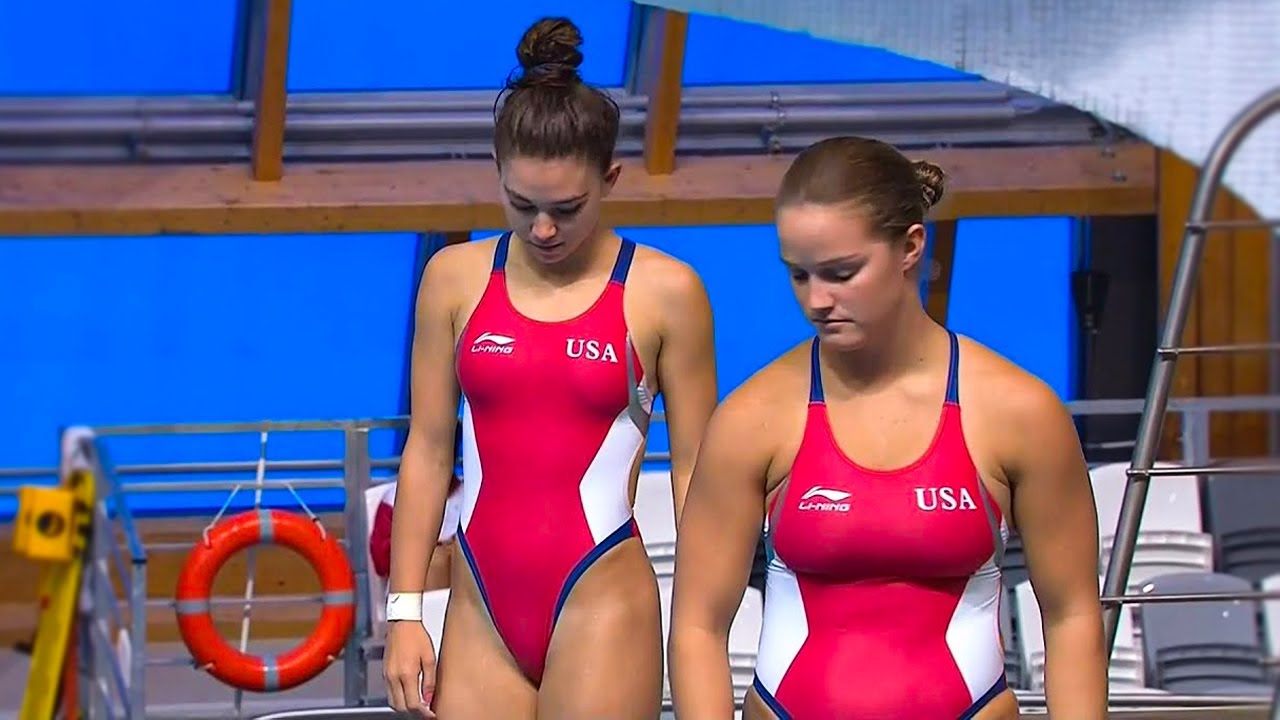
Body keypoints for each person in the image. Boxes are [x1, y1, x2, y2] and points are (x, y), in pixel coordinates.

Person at [668, 136, 1107, 719]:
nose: (817, 300)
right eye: (799, 275)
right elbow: (697, 626)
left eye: (842, 272)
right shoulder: (753, 419)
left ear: (911, 247)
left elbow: (1073, 615)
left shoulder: (1019, 413)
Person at [382, 16, 719, 720]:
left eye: (567, 209)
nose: (542, 229)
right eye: (521, 204)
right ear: (497, 172)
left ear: (611, 179)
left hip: (603, 599)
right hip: (479, 603)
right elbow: (428, 448)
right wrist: (405, 611)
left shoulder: (666, 293)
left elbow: (698, 472)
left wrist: (703, 626)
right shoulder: (453, 279)